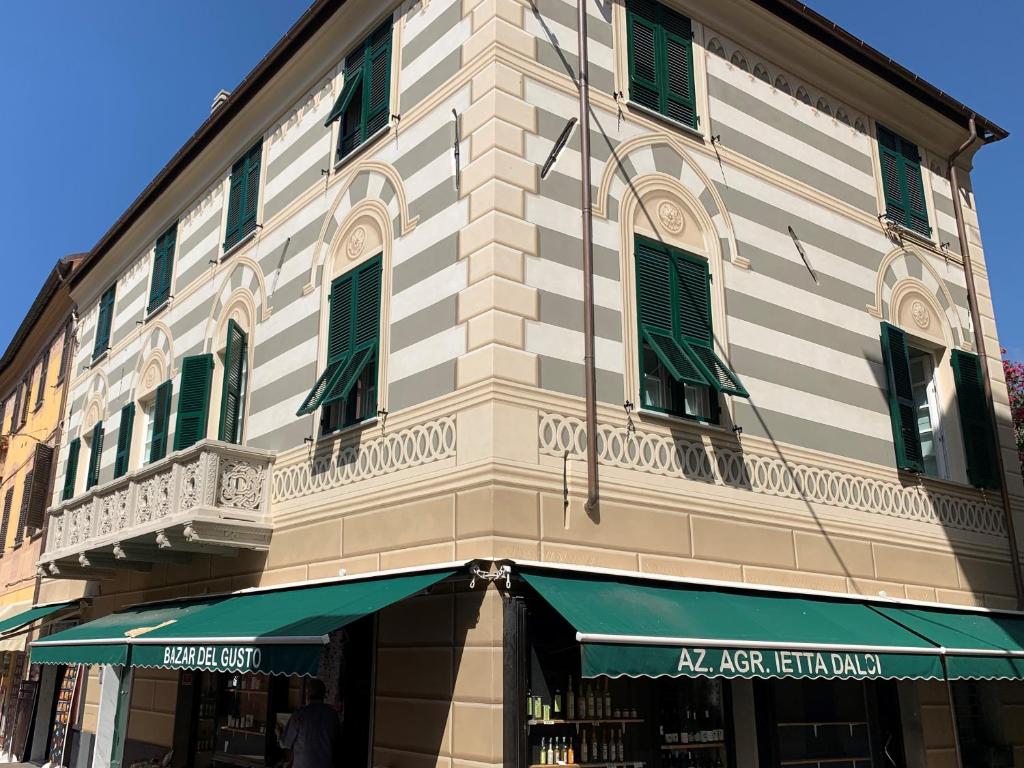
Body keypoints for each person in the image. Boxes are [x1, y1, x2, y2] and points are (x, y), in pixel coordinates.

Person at [279, 678, 343, 767]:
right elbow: (338, 746)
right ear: (324, 694)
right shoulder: (333, 716)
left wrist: (280, 733)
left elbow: (285, 744)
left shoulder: (299, 715)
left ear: (307, 694)